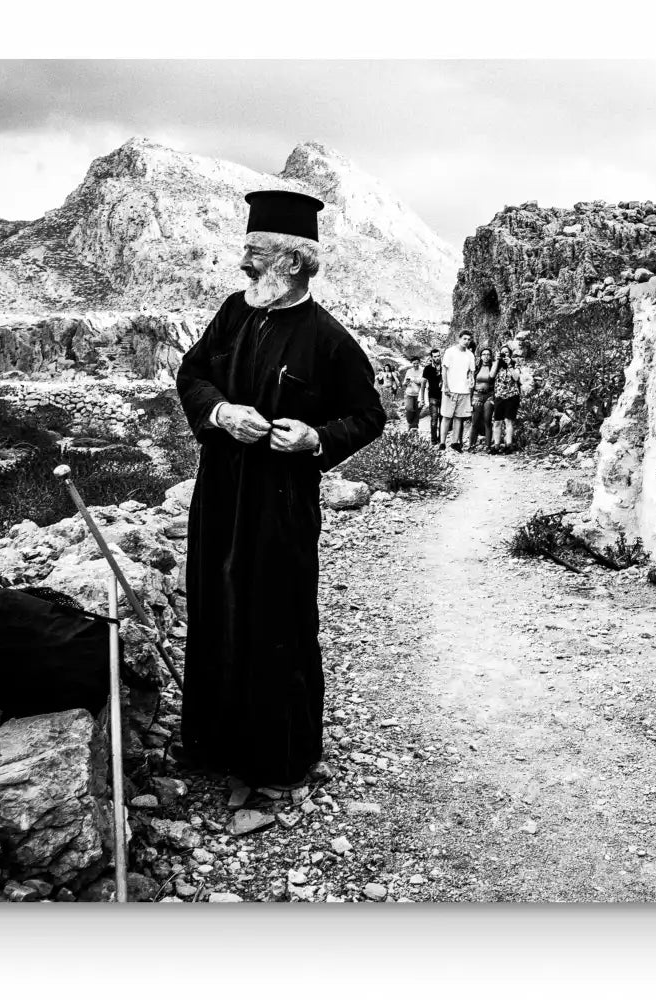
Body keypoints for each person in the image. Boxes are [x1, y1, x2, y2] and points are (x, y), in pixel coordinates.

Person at [174, 189, 385, 786]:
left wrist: (314, 440)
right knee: (216, 606)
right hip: (219, 494)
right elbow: (193, 375)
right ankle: (212, 745)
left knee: (278, 618)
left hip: (282, 504)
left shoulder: (330, 339)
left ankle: (278, 757)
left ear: (292, 262)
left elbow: (368, 415)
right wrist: (218, 414)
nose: (243, 262)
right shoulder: (232, 313)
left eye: (254, 251)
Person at [440, 330, 476, 451]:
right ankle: (442, 443)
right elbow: (444, 369)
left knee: (459, 417)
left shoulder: (470, 355)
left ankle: (455, 442)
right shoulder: (450, 352)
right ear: (459, 338)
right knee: (446, 416)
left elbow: (471, 372)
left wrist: (471, 380)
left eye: (469, 339)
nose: (466, 341)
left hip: (464, 390)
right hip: (451, 389)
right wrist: (445, 386)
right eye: (464, 339)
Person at [491, 344, 522, 453]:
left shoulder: (514, 364)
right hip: (499, 396)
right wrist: (496, 360)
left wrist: (510, 365)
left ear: (510, 354)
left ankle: (509, 445)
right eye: (502, 352)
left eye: (507, 352)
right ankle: (496, 445)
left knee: (508, 421)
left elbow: (516, 377)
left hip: (511, 396)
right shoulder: (497, 364)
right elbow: (491, 375)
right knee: (497, 422)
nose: (504, 354)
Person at [468, 346, 497, 452]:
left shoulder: (494, 368)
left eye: (488, 354)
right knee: (475, 421)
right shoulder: (475, 368)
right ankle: (471, 445)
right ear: (480, 356)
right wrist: (470, 399)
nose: (486, 357)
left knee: (487, 420)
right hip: (477, 395)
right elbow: (471, 384)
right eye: (484, 354)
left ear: (491, 356)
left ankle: (488, 446)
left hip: (489, 395)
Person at [420, 347, 442, 445]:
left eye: (438, 356)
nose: (437, 358)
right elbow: (423, 384)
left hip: (444, 396)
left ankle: (441, 439)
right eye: (435, 356)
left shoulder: (444, 367)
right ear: (431, 357)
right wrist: (422, 399)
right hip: (432, 395)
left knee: (443, 418)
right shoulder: (428, 368)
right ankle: (433, 439)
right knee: (434, 418)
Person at [401, 355, 424, 434]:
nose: (415, 365)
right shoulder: (409, 371)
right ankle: (410, 423)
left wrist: (413, 379)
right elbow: (404, 382)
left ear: (419, 363)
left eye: (417, 363)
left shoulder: (422, 370)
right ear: (411, 363)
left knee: (417, 410)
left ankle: (415, 426)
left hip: (419, 393)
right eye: (414, 363)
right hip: (409, 393)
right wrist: (406, 383)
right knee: (409, 408)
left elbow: (422, 381)